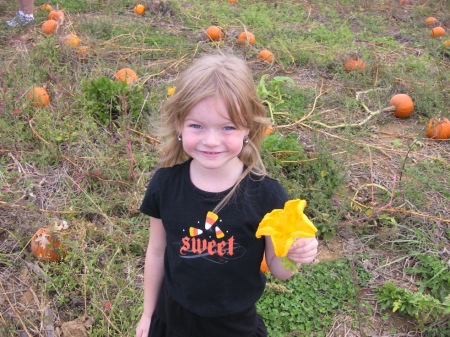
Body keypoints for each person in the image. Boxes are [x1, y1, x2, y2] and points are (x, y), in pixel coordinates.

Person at [136, 53, 318, 337]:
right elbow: (157, 251)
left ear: (248, 129)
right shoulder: (165, 185)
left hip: (234, 327)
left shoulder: (267, 196)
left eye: (228, 127)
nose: (211, 141)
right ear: (179, 124)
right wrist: (147, 314)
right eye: (197, 125)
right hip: (172, 320)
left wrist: (293, 255)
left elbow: (280, 270)